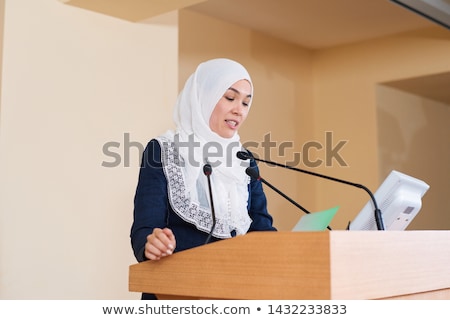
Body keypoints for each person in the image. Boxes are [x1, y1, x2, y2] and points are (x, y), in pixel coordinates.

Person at [130, 58, 277, 299]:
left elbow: (260, 227)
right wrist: (151, 243)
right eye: (230, 98)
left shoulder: (244, 160)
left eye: (246, 102)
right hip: (174, 293)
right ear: (203, 97)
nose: (239, 110)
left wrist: (290, 251)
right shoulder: (164, 150)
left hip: (235, 293)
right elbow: (144, 227)